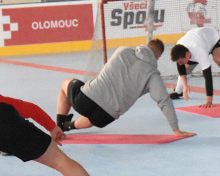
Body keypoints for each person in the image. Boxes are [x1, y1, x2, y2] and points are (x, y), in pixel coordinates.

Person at [55, 39, 194, 138]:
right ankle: (69, 126)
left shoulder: (122, 51)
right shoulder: (152, 74)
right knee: (94, 117)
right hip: (105, 116)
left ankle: (59, 124)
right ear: (157, 56)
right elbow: (164, 101)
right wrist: (176, 130)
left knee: (65, 83)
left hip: (85, 99)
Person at [169, 27, 220, 108]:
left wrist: (209, 101)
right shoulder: (179, 48)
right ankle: (179, 92)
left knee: (218, 59)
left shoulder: (199, 51)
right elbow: (181, 68)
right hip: (202, 41)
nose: (180, 63)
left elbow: (208, 76)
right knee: (186, 68)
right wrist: (185, 86)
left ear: (186, 55)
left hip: (216, 39)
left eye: (181, 61)